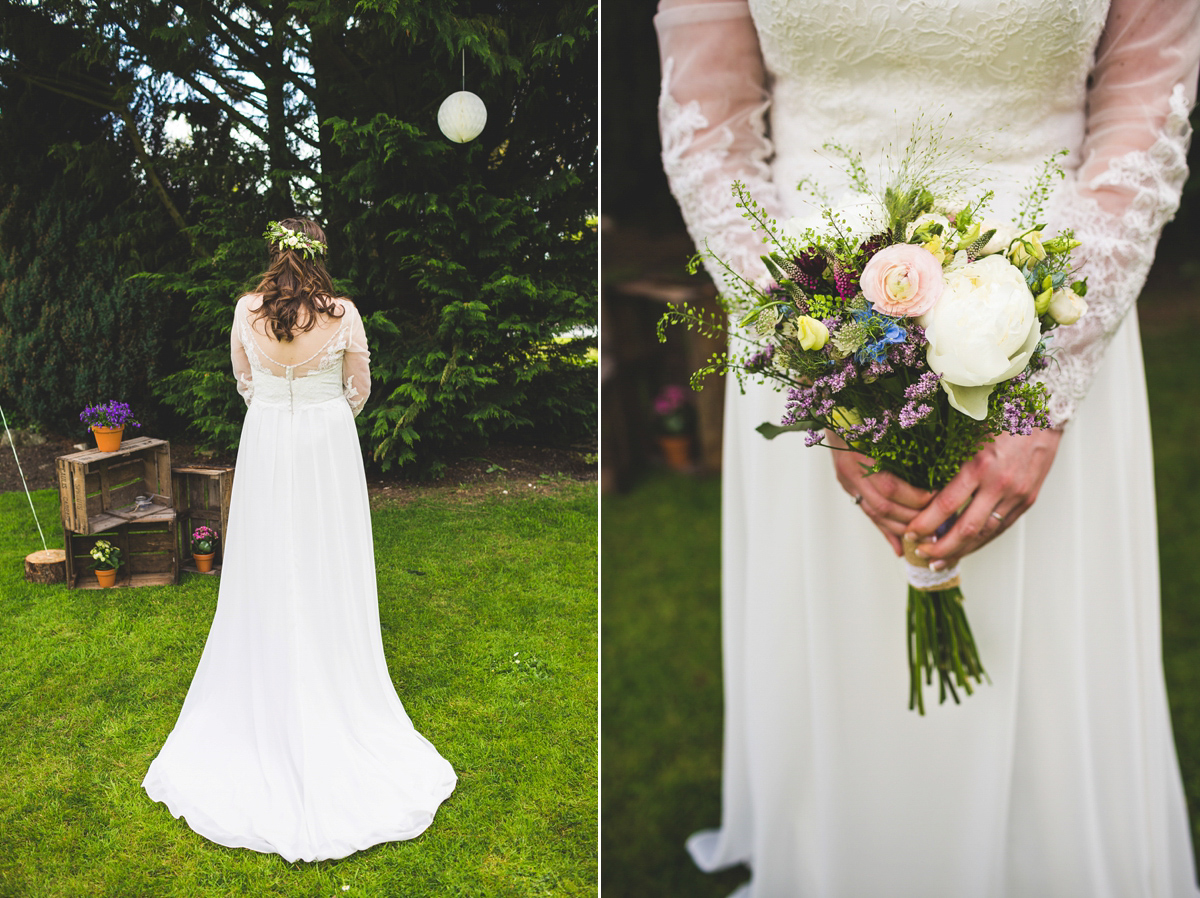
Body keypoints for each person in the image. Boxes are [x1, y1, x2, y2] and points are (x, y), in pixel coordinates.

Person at [655, 1, 1200, 894]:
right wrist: (816, 367)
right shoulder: (813, 348)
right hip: (813, 317)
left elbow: (1148, 93)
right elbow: (705, 128)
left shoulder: (1059, 349)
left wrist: (1048, 389)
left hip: (1060, 304)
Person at [143, 218, 456, 862]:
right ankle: (328, 663)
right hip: (326, 445)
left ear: (272, 256)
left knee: (266, 556)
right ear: (318, 257)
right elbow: (360, 390)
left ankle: (274, 666)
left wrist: (280, 405)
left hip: (267, 441)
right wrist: (321, 410)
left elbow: (244, 382)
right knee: (326, 557)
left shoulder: (244, 311)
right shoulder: (343, 313)